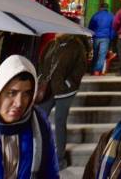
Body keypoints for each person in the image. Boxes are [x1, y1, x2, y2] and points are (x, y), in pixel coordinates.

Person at [38, 34, 89, 170]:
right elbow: (42, 62)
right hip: (49, 89)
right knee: (39, 117)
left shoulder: (76, 46)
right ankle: (39, 153)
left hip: (66, 91)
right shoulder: (51, 44)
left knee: (59, 121)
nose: (59, 32)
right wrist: (42, 78)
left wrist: (68, 83)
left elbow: (81, 67)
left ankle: (60, 159)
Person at [88, 2, 115, 75]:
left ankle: (92, 69)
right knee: (102, 54)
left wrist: (91, 35)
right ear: (107, 8)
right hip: (106, 37)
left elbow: (90, 27)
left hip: (96, 37)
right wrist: (111, 37)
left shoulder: (95, 15)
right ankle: (97, 70)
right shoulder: (111, 16)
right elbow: (113, 28)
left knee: (95, 54)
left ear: (100, 7)